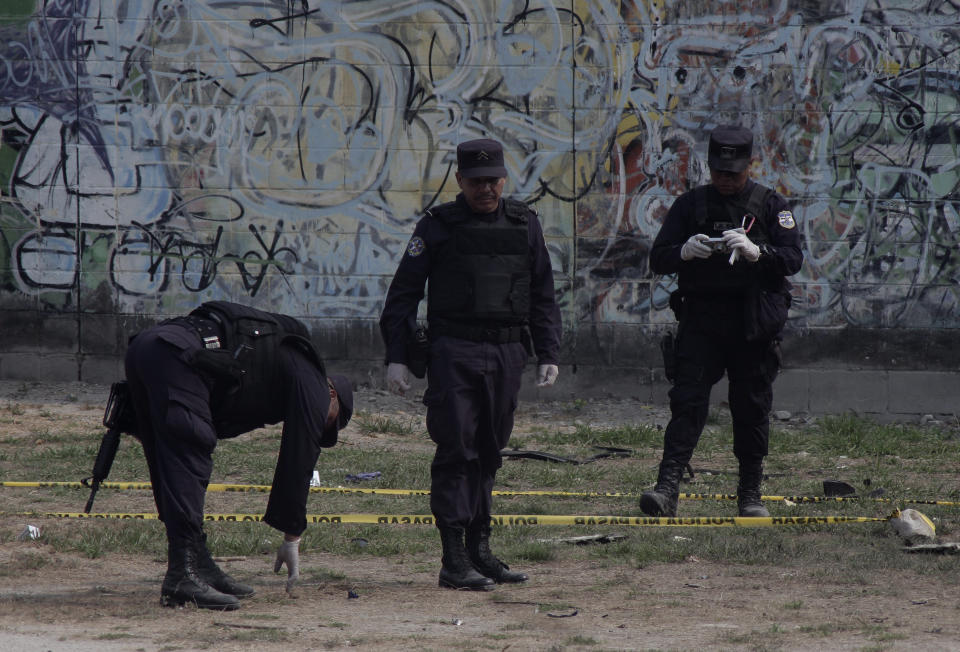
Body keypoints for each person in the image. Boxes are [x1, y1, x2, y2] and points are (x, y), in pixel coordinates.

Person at [379, 138, 562, 590]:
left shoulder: (525, 224)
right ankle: (453, 557)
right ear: (460, 180)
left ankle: (481, 550)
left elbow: (543, 293)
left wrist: (549, 351)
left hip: (506, 354)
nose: (486, 189)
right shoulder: (438, 225)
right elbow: (403, 293)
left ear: (504, 179)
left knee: (489, 451)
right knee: (456, 449)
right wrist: (397, 357)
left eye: (493, 181)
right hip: (453, 352)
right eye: (476, 181)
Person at [123, 300, 354, 610]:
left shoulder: (281, 359)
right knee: (190, 450)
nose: (322, 425)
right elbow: (300, 455)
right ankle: (182, 576)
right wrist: (291, 537)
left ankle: (198, 563)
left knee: (170, 459)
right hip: (177, 354)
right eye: (331, 420)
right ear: (332, 394)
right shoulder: (312, 377)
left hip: (152, 347)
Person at [643, 124, 803, 518]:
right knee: (688, 404)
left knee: (751, 409)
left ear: (750, 165)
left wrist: (758, 252)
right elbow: (658, 257)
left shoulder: (771, 205)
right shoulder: (691, 205)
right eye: (718, 172)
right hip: (702, 323)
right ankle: (667, 488)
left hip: (752, 327)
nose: (725, 180)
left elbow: (793, 259)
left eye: (733, 173)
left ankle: (750, 494)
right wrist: (683, 251)